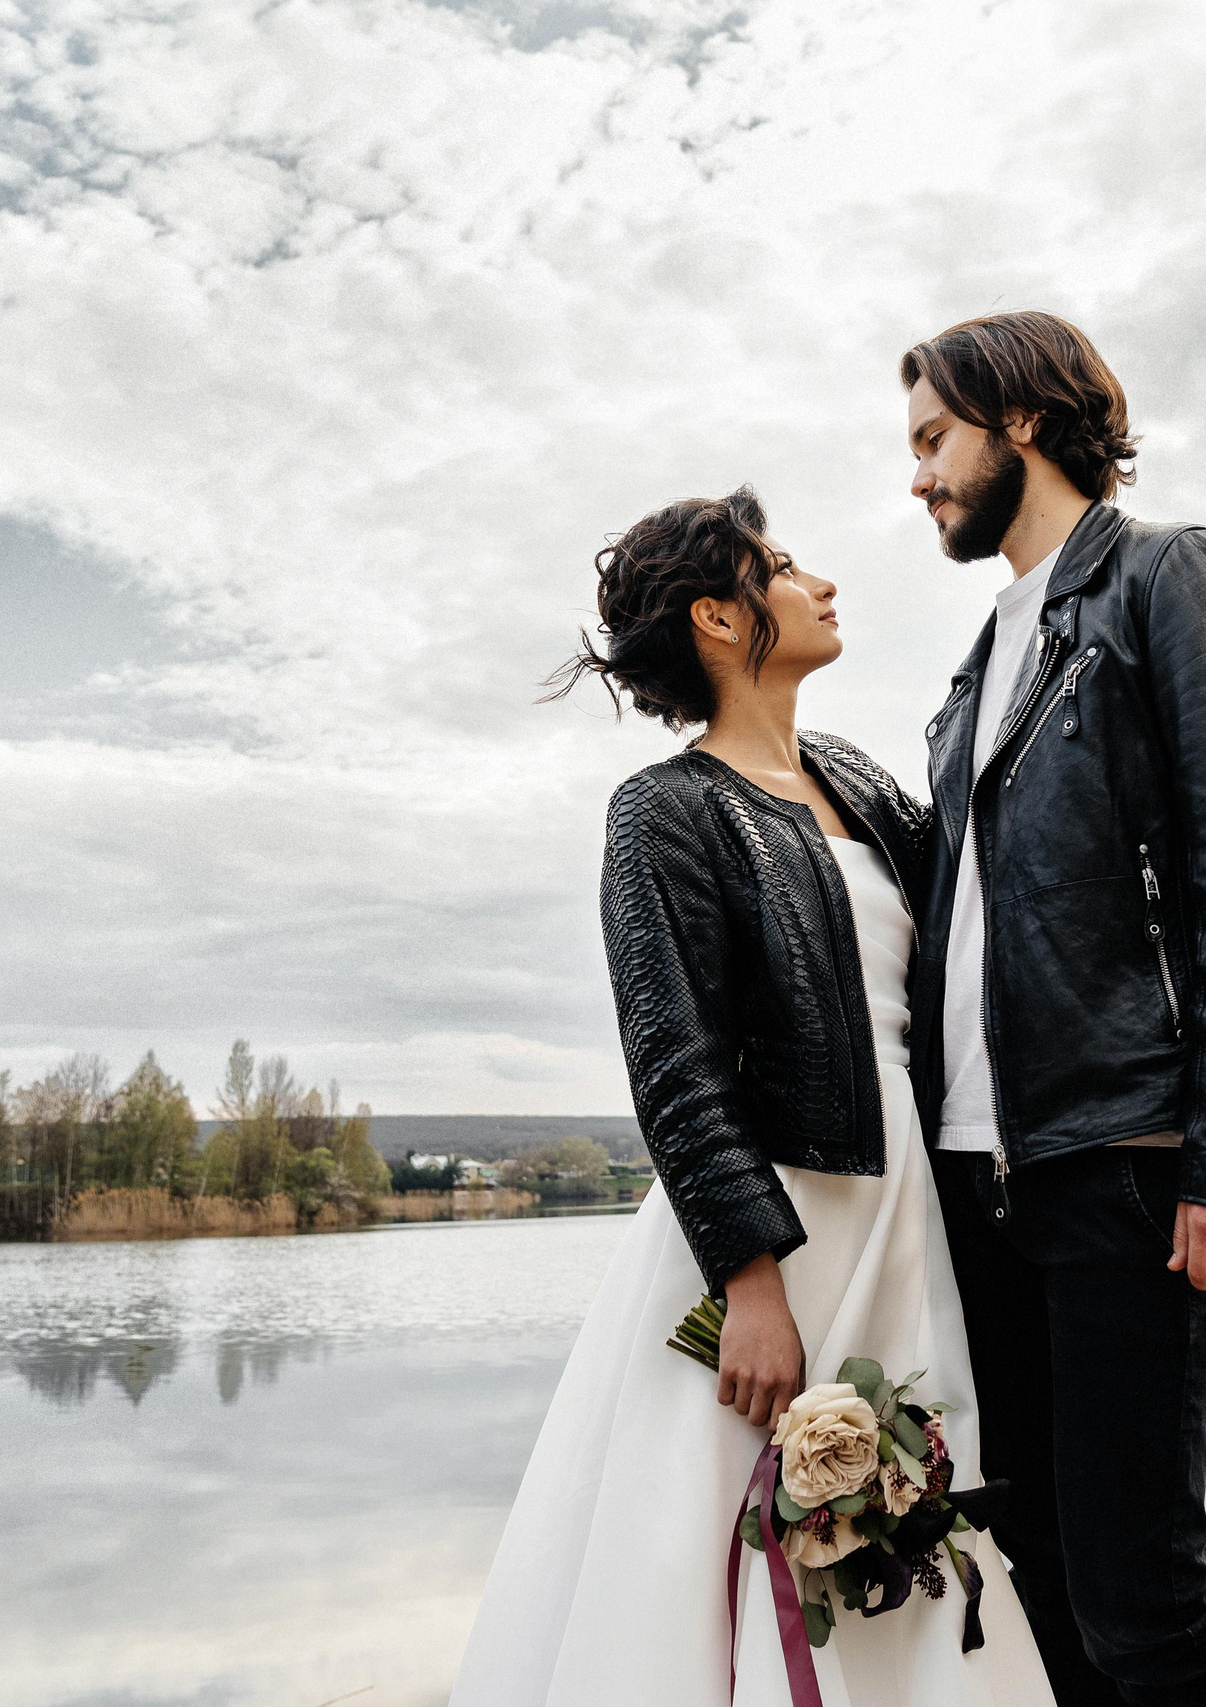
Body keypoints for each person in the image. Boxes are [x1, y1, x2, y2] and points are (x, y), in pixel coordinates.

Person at [450, 487, 1056, 1706]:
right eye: (781, 567)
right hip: (776, 1229)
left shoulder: (859, 780)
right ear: (720, 621)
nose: (819, 582)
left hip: (907, 1211)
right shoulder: (661, 812)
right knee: (706, 1542)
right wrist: (749, 1283)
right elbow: (671, 1061)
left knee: (911, 1526)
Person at [900, 311, 1206, 1707]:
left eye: (932, 440)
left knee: (1147, 1598)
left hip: (1126, 1162)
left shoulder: (1169, 577)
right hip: (981, 1173)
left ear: (1018, 417)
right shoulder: (973, 672)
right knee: (1034, 1574)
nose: (918, 480)